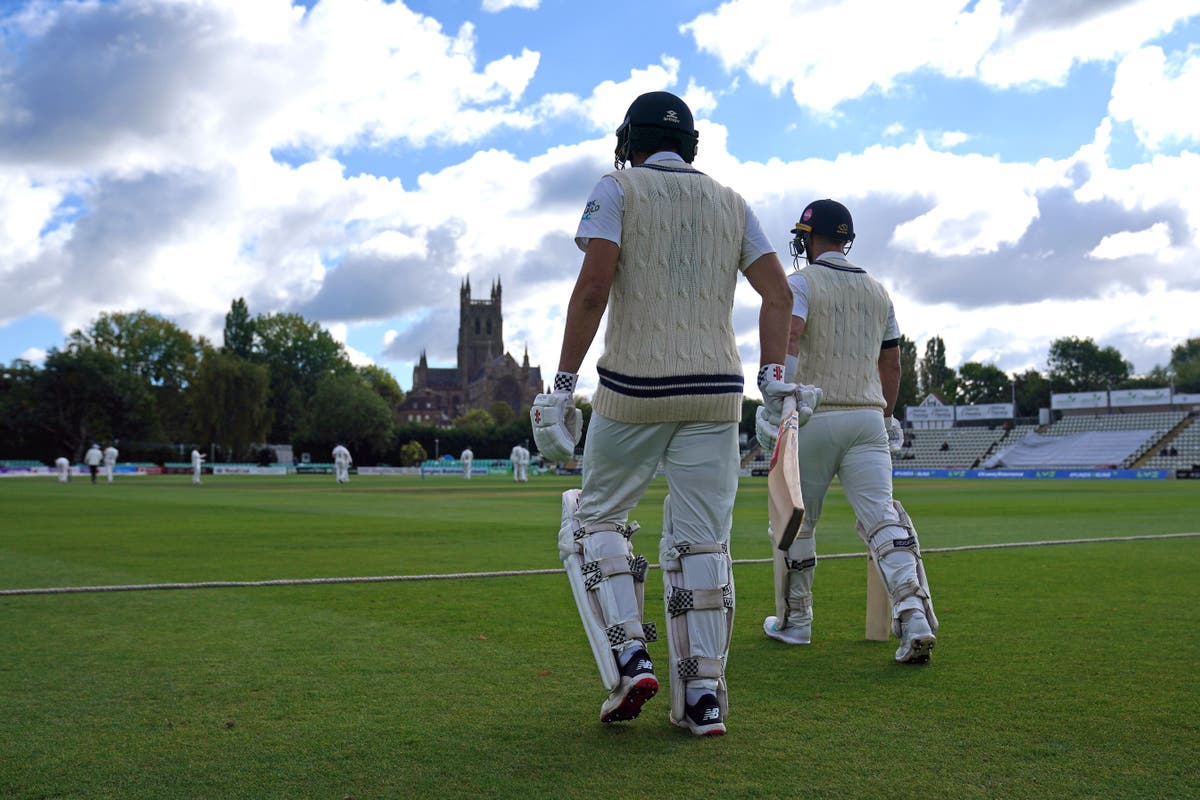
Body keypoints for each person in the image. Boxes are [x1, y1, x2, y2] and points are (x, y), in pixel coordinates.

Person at [530, 90, 794, 736]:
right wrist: (775, 381)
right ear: (690, 145)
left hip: (634, 388)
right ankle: (702, 697)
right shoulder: (732, 202)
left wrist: (561, 386)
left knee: (593, 519)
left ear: (631, 140)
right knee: (704, 540)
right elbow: (779, 293)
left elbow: (594, 288)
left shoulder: (618, 189)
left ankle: (629, 652)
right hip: (715, 392)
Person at [757, 199, 938, 665]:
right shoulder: (879, 291)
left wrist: (782, 395)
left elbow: (791, 337)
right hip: (866, 418)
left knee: (796, 520)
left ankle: (797, 623)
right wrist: (887, 416)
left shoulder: (801, 282)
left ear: (807, 237)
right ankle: (913, 616)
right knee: (882, 519)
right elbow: (891, 362)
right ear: (847, 239)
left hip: (813, 414)